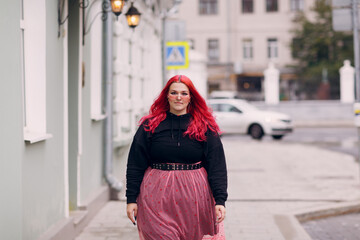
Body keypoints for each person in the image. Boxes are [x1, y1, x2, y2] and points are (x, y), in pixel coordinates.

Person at [126, 75, 228, 240]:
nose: (179, 97)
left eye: (184, 93)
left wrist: (220, 200)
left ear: (191, 98)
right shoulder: (150, 125)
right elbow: (135, 164)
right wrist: (131, 199)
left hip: (195, 197)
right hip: (155, 196)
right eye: (174, 92)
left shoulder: (205, 127)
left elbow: (217, 166)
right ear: (167, 96)